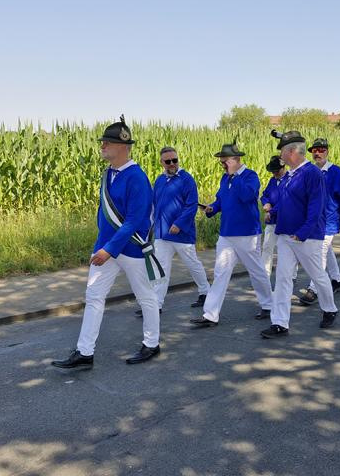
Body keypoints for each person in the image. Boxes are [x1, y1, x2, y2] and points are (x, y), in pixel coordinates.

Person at [52, 116, 162, 368]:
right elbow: (104, 212)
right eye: (102, 142)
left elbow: (134, 221)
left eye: (107, 142)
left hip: (131, 248)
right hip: (106, 247)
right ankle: (85, 352)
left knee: (146, 297)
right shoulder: (108, 174)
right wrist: (102, 244)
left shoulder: (137, 177)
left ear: (122, 146)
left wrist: (108, 250)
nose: (102, 146)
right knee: (93, 296)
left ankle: (152, 344)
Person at [261, 130, 338, 337]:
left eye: (282, 151)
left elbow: (316, 206)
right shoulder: (289, 175)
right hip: (285, 234)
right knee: (283, 278)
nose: (280, 155)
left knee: (317, 275)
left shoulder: (312, 173)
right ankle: (279, 323)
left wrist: (303, 232)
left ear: (292, 151)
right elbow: (286, 202)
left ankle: (330, 309)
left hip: (306, 236)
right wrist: (273, 212)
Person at [190, 140, 273, 327]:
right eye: (221, 161)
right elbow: (221, 200)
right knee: (220, 272)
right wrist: (212, 208)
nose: (222, 164)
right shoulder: (225, 178)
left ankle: (268, 304)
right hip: (226, 234)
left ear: (236, 159)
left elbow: (247, 196)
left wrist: (235, 176)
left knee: (256, 271)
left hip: (247, 234)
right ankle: (210, 315)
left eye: (225, 161)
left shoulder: (250, 176)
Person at [145, 146, 210, 313]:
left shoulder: (187, 179)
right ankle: (156, 305)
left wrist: (179, 224)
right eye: (168, 161)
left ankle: (205, 292)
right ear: (161, 162)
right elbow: (154, 205)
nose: (172, 163)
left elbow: (191, 205)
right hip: (162, 234)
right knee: (161, 269)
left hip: (182, 234)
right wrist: (150, 225)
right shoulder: (159, 180)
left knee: (192, 264)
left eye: (175, 160)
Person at [299, 138, 340, 305]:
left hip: (330, 220)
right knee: (326, 250)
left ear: (327, 152)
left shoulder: (335, 172)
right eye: (314, 151)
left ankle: (314, 289)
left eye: (321, 150)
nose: (318, 153)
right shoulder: (308, 171)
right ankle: (336, 279)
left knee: (319, 253)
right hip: (313, 220)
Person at [260, 155, 289, 277]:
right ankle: (264, 276)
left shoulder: (290, 180)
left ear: (283, 167)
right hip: (271, 221)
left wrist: (271, 211)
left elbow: (286, 201)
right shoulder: (272, 181)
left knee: (285, 251)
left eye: (276, 171)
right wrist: (266, 203)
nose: (274, 173)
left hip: (285, 221)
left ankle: (289, 276)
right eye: (272, 171)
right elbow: (264, 195)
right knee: (267, 247)